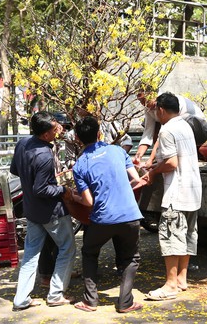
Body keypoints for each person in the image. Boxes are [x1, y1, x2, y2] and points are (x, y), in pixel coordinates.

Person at [69, 115, 144, 314]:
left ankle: (90, 301)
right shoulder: (118, 151)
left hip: (102, 219)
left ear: (77, 138)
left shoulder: (80, 165)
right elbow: (136, 179)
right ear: (99, 133)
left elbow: (88, 202)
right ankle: (125, 302)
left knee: (89, 253)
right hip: (130, 216)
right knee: (131, 259)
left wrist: (75, 199)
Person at [137, 92, 202, 300]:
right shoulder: (186, 126)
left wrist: (153, 172)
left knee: (171, 236)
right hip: (192, 190)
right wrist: (157, 165)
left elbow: (172, 163)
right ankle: (182, 278)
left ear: (162, 110)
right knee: (188, 235)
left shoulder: (167, 130)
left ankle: (170, 285)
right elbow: (178, 158)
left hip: (177, 192)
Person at [11, 111, 76, 311]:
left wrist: (31, 177)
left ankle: (21, 299)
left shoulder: (23, 144)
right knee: (67, 248)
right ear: (46, 133)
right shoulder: (44, 155)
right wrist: (63, 189)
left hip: (31, 209)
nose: (57, 130)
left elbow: (15, 170)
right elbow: (42, 189)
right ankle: (56, 294)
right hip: (51, 212)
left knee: (31, 254)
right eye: (54, 128)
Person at [133, 89, 207, 169]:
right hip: (176, 133)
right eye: (140, 101)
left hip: (198, 130)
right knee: (153, 125)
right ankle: (162, 156)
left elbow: (164, 133)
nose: (143, 104)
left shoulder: (169, 102)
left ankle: (168, 156)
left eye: (144, 100)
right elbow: (148, 133)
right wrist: (138, 156)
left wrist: (151, 159)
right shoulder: (149, 108)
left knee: (166, 131)